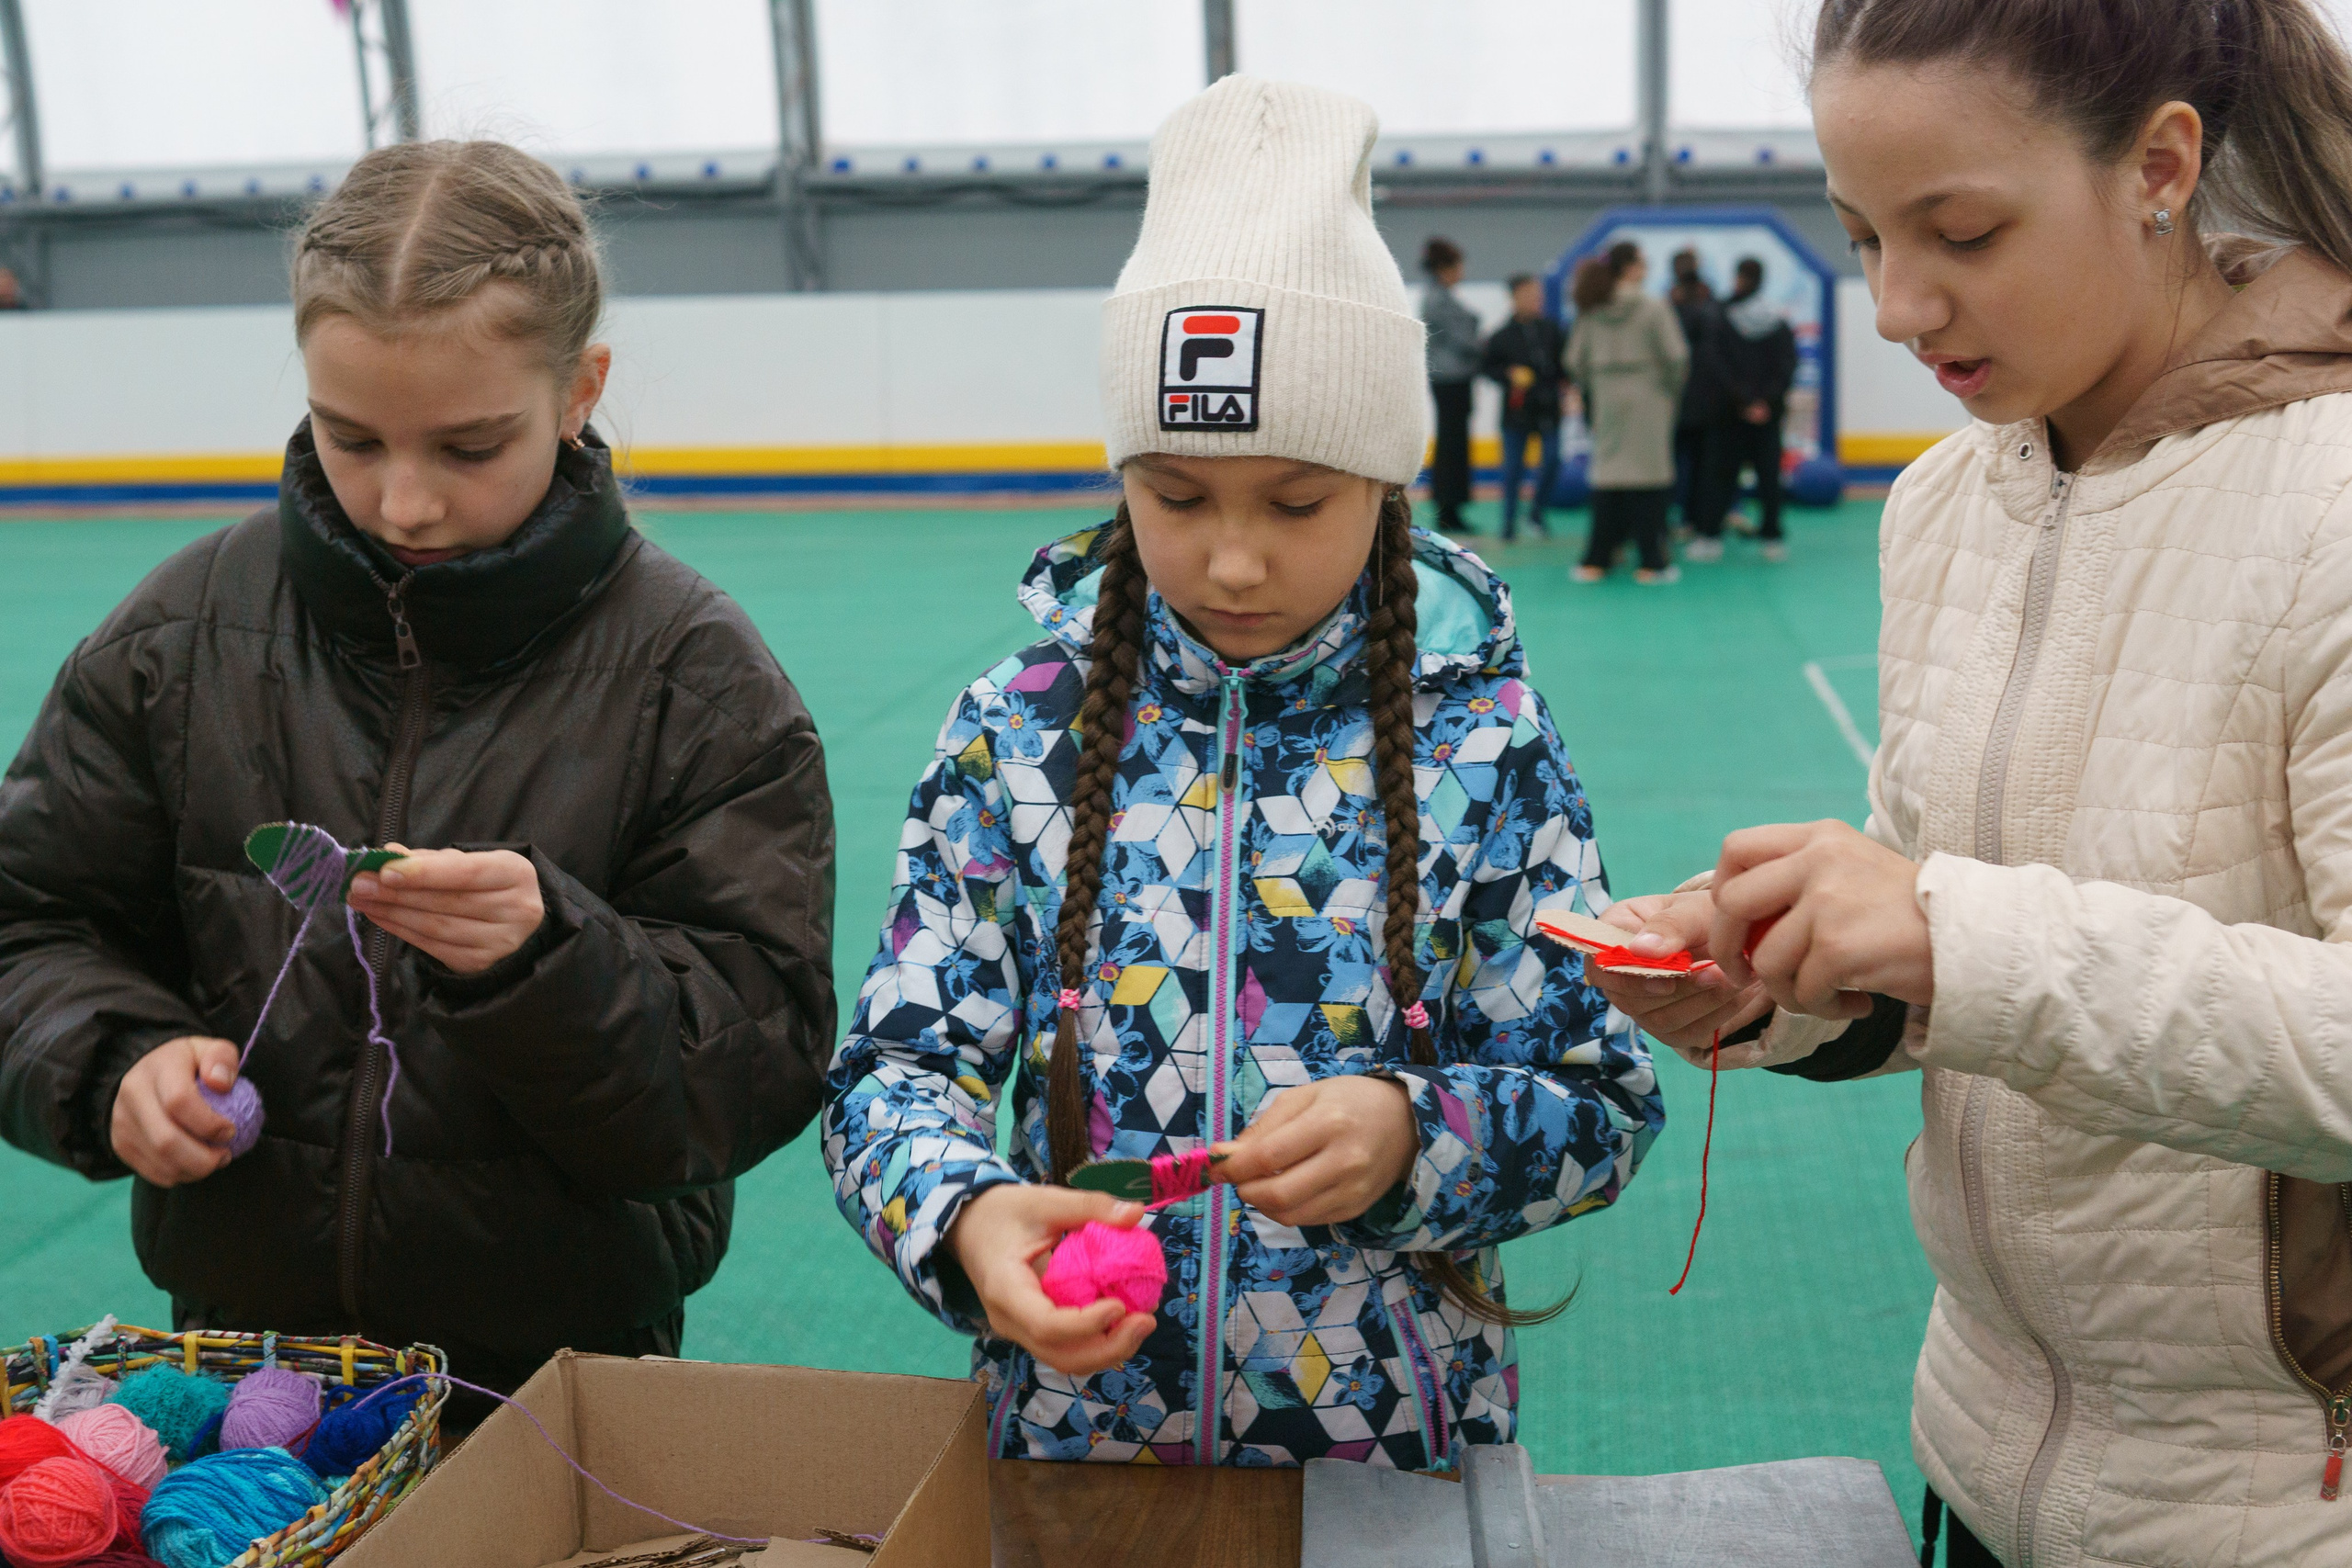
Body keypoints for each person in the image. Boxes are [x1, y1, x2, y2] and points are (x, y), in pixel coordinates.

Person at [1591, 2, 2352, 1563]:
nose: (1895, 303)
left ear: (2159, 165)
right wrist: (1796, 982)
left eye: (1962, 231)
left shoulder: (2329, 503)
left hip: (2278, 1499)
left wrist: (1945, 928)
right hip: (1985, 1449)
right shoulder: (1946, 503)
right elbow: (1976, 969)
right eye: (1862, 234)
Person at [824, 76, 1660, 1472]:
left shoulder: (1486, 742)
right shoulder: (1012, 732)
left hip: (1395, 1471)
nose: (1231, 559)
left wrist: (1416, 1135)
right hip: (1075, 1462)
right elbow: (894, 1070)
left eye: (1296, 500)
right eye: (1176, 494)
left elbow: (1601, 1094)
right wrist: (965, 1212)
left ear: (1389, 481)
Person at [0, 141, 837, 1403]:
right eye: (351, 437)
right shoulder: (178, 637)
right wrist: (115, 1058)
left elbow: (752, 1057)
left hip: (568, 1371)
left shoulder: (697, 677)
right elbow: (29, 922)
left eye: (468, 446)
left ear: (579, 389)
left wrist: (551, 958)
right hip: (240, 1362)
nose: (403, 501)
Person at [1566, 242, 1688, 583]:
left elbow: (1574, 359)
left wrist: (1595, 383)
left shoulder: (1591, 306)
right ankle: (1652, 562)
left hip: (1606, 393)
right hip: (1649, 393)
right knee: (1649, 477)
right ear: (1630, 268)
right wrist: (1668, 390)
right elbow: (1676, 356)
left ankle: (1596, 560)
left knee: (1607, 474)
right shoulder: (1653, 306)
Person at [1694, 257, 1798, 562]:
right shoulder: (1776, 320)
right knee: (1768, 477)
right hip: (1764, 413)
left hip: (1730, 412)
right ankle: (1771, 536)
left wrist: (1744, 400)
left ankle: (1710, 535)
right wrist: (1764, 401)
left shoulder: (1721, 317)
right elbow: (1787, 366)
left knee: (1720, 475)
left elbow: (1716, 365)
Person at [1479, 272, 1570, 541]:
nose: (1536, 301)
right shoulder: (1500, 336)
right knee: (1512, 469)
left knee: (1552, 460)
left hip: (1549, 410)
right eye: (1529, 295)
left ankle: (1537, 512)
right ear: (1514, 298)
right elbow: (1486, 368)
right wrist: (1508, 375)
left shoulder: (1553, 330)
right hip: (1516, 414)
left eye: (1538, 296)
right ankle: (1508, 523)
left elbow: (1566, 366)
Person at [1419, 236, 1479, 534]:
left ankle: (1451, 508)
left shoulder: (1437, 296)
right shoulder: (1440, 300)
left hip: (1451, 379)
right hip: (1451, 380)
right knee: (1452, 446)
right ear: (1445, 268)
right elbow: (1466, 341)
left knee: (1452, 444)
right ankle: (1448, 509)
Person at [1666, 247, 1721, 539]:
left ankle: (1684, 519)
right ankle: (1698, 520)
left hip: (1680, 398)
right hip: (1700, 398)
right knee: (1701, 464)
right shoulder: (1708, 303)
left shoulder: (1669, 306)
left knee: (1680, 463)